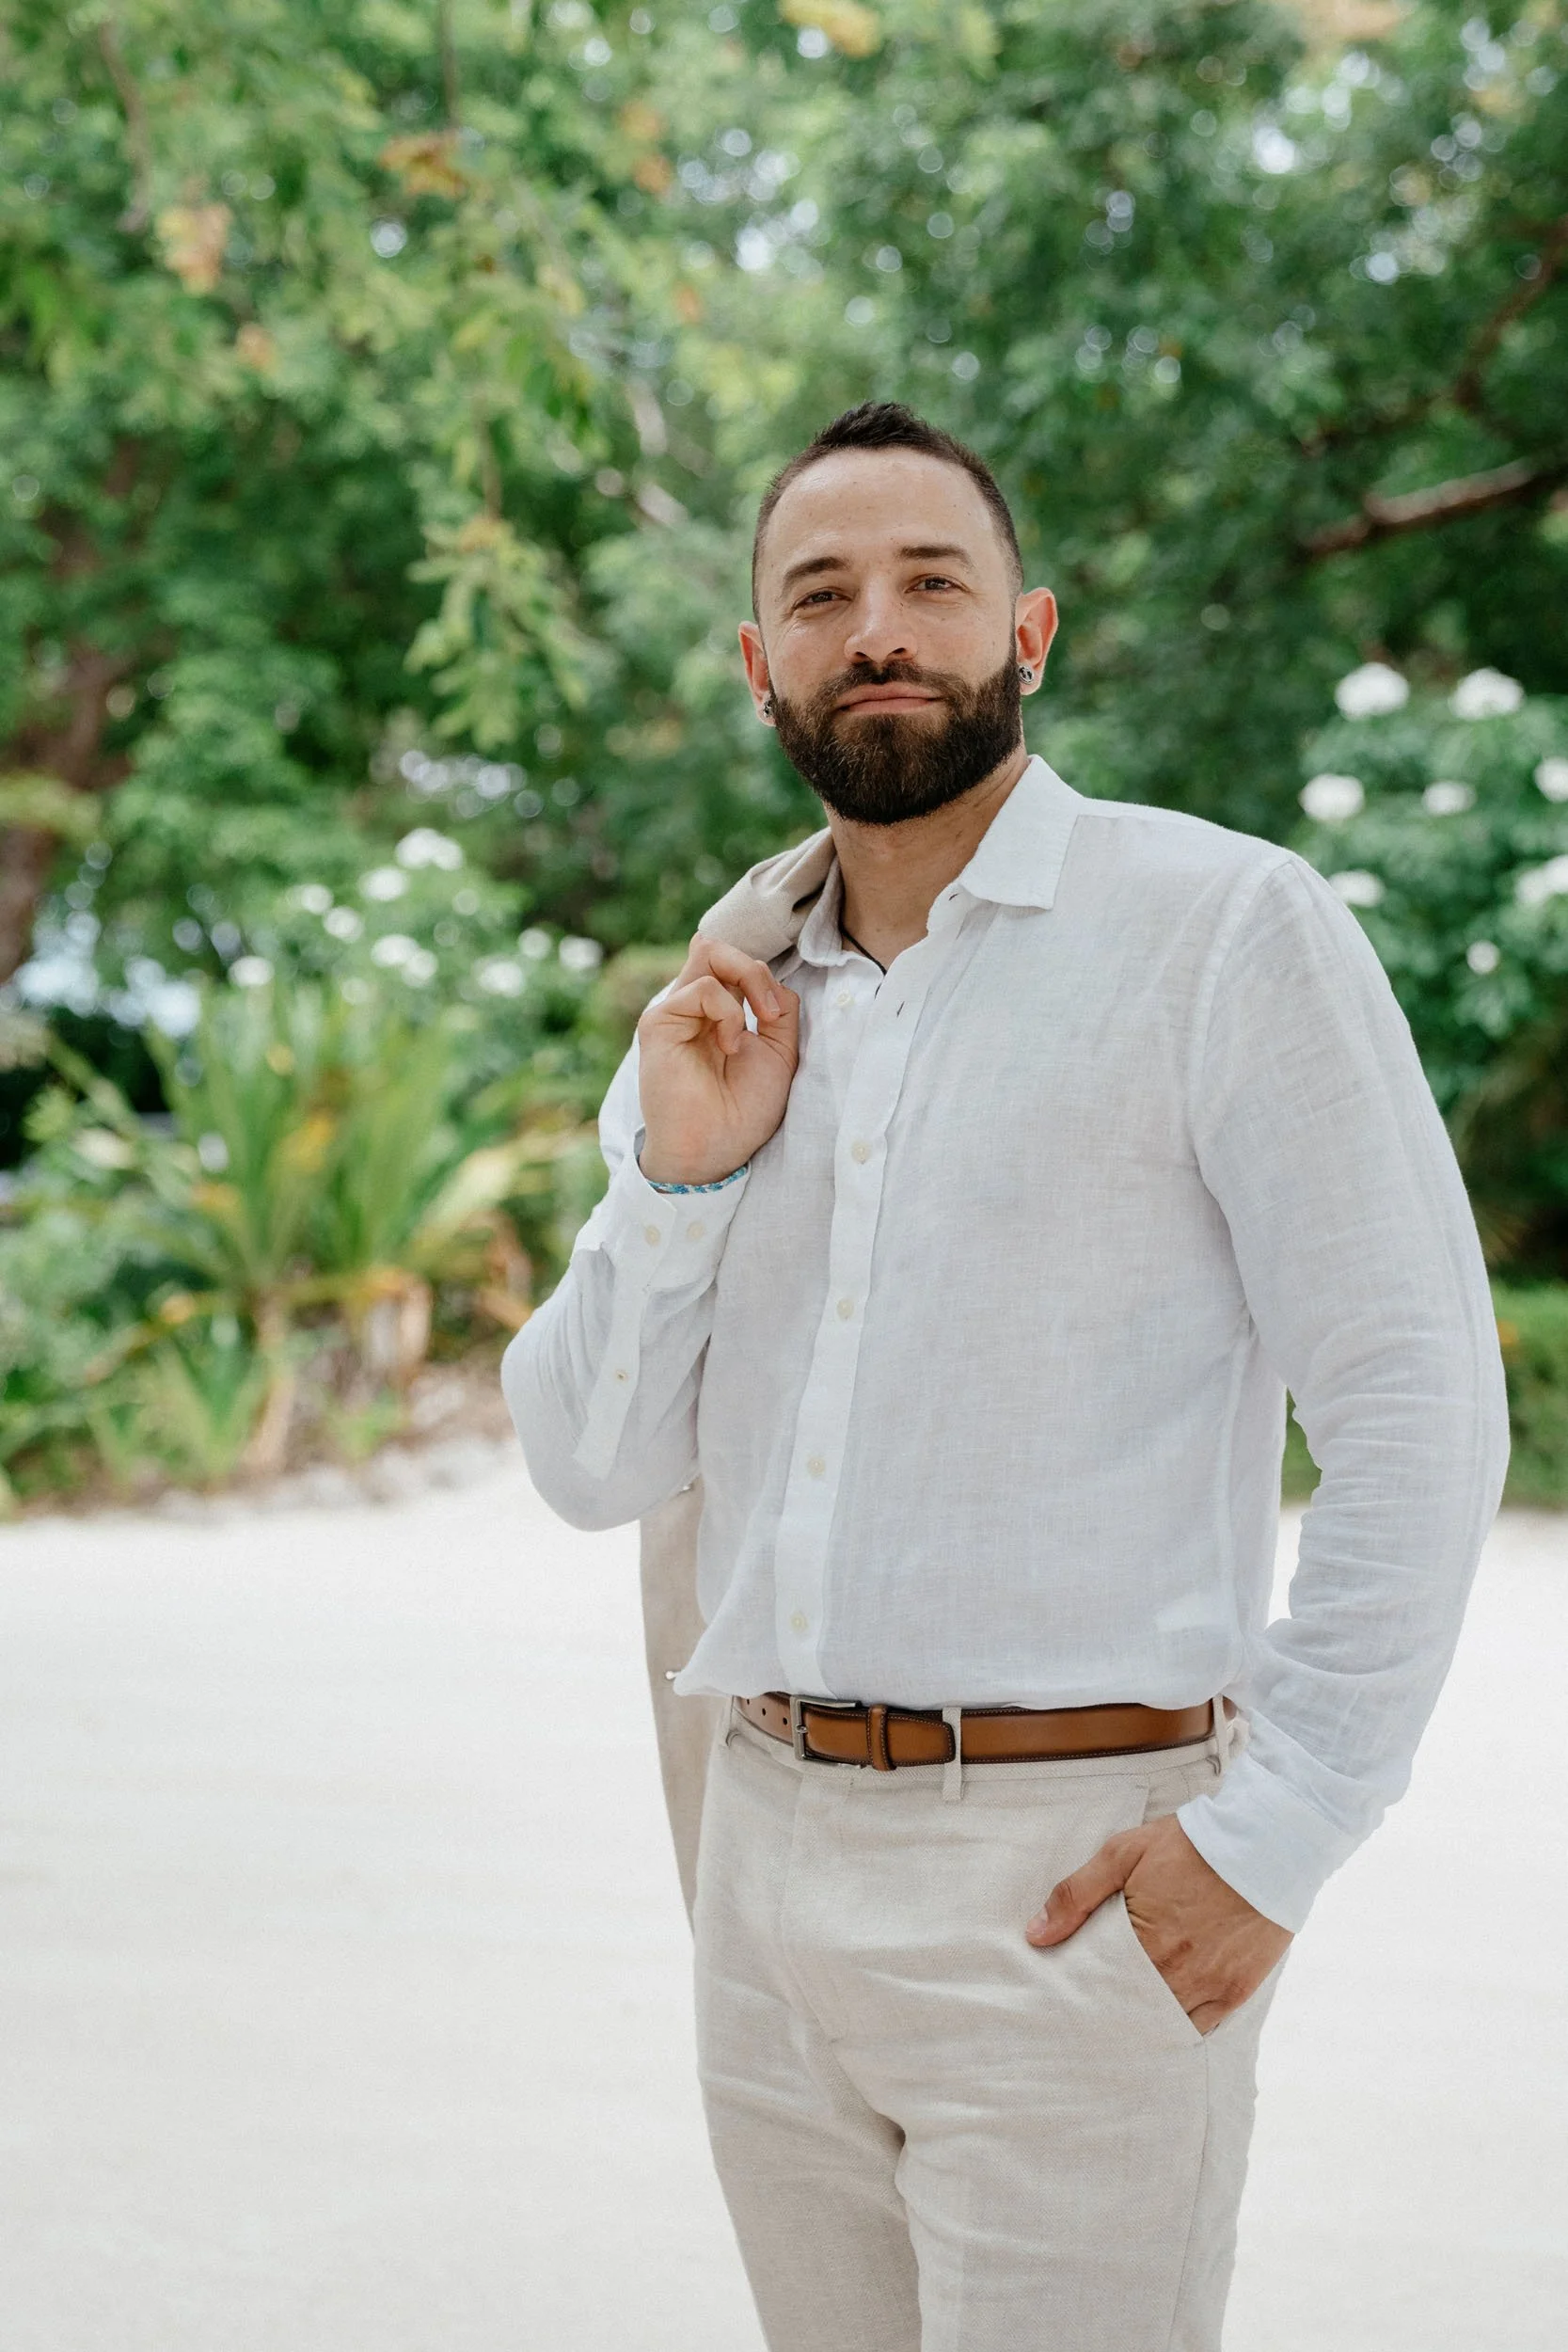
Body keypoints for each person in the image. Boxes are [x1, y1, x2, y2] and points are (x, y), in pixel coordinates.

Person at [501, 401, 1511, 2350]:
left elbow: (1412, 1395)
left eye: (927, 581)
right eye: (818, 593)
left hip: (1073, 1874)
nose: (874, 626)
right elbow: (583, 1454)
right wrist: (678, 1176)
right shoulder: (728, 999)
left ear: (1024, 633)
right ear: (758, 664)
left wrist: (1272, 1833)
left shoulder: (1217, 929)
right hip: (764, 1852)